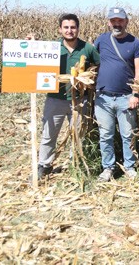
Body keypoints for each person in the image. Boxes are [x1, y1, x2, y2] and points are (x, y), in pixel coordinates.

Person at [36, 13, 100, 179]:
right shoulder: (52, 48)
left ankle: (75, 164)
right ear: (60, 29)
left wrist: (90, 80)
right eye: (66, 27)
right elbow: (34, 57)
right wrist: (31, 44)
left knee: (78, 135)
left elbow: (98, 67)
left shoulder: (88, 48)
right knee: (49, 134)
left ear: (78, 29)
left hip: (79, 100)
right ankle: (44, 165)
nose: (70, 31)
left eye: (73, 27)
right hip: (55, 98)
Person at [94, 7, 139, 181]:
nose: (117, 24)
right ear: (109, 22)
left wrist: (135, 95)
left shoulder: (135, 43)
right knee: (106, 134)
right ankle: (108, 167)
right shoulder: (101, 40)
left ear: (126, 21)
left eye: (120, 20)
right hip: (103, 97)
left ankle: (129, 167)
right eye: (114, 20)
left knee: (128, 134)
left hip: (126, 98)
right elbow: (92, 64)